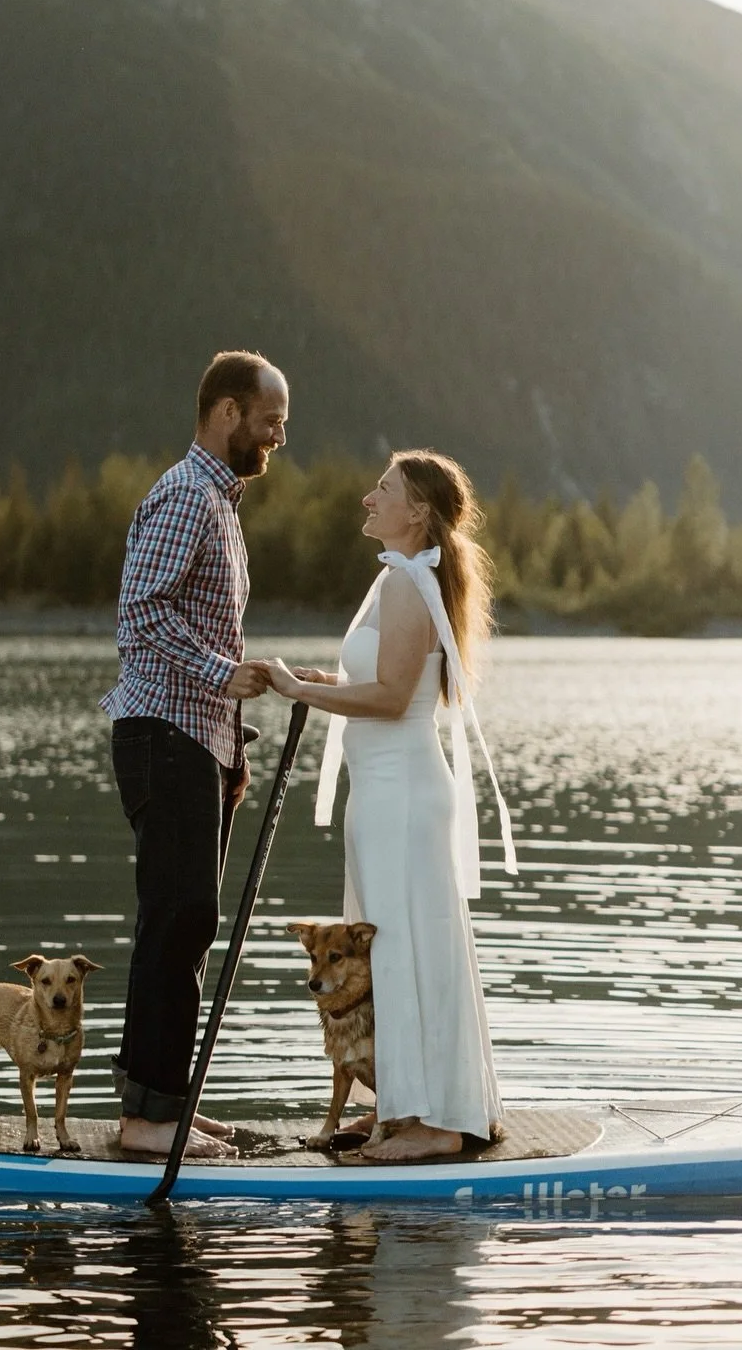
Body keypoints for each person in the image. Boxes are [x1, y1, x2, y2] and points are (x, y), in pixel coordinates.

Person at [263, 450, 517, 1163]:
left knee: (406, 951)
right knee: (388, 953)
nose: (368, 498)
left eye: (384, 489)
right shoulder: (396, 579)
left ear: (418, 512)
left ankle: (437, 1122)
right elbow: (378, 680)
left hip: (402, 797)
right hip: (382, 795)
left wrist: (299, 691)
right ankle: (399, 1108)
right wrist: (323, 680)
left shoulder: (410, 582)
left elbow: (393, 698)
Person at [102, 350, 289, 1159]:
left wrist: (230, 745)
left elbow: (193, 622)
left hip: (194, 738)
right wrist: (222, 675)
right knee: (177, 918)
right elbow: (139, 612)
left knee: (187, 923)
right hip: (163, 734)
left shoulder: (219, 502)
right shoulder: (187, 495)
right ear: (226, 412)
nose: (279, 436)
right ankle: (147, 1119)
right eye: (270, 420)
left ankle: (166, 1104)